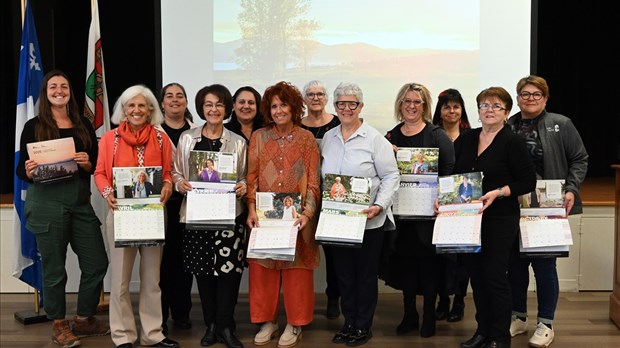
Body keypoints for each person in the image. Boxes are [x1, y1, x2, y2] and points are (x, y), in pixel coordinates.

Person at [16, 70, 109, 348]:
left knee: (97, 263)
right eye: (53, 86)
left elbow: (95, 166)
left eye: (64, 86)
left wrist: (86, 164)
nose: (59, 90)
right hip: (46, 203)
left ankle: (83, 319)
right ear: (46, 92)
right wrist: (30, 172)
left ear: (71, 91)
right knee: (55, 269)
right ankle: (58, 324)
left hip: (80, 203)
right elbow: (21, 169)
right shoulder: (33, 126)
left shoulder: (84, 125)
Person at [507, 75, 588, 347]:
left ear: (545, 98)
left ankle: (545, 323)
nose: (530, 99)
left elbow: (579, 158)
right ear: (517, 98)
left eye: (536, 94)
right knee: (515, 265)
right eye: (524, 94)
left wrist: (571, 189)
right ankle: (518, 316)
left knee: (544, 265)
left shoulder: (561, 124)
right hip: (513, 205)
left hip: (547, 206)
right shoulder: (508, 125)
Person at [94, 85, 179, 348]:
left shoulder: (162, 138)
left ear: (151, 109)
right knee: (119, 279)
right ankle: (123, 336)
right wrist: (107, 192)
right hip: (120, 215)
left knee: (152, 278)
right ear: (123, 109)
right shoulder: (109, 139)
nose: (136, 110)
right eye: (131, 105)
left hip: (153, 215)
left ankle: (152, 333)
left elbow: (168, 173)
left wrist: (167, 186)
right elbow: (99, 173)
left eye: (142, 105)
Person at [454, 87, 536, 348]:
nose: (489, 110)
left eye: (496, 106)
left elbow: (528, 181)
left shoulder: (512, 141)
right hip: (468, 219)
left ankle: (500, 337)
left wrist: (499, 192)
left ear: (507, 112)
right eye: (484, 105)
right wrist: (442, 198)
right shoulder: (466, 139)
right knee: (476, 277)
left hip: (500, 218)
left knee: (494, 276)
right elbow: (454, 176)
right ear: (478, 111)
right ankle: (483, 331)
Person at [322, 82, 400, 346]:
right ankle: (349, 322)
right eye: (341, 104)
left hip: (369, 221)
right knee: (343, 274)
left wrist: (379, 205)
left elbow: (391, 175)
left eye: (351, 104)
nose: (346, 108)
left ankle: (363, 326)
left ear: (360, 107)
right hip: (338, 221)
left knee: (364, 275)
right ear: (335, 107)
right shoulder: (329, 138)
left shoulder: (376, 139)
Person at [172, 84, 248, 348]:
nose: (213, 109)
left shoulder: (238, 141)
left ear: (226, 109)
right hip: (197, 215)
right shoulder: (187, 138)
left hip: (229, 217)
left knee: (228, 274)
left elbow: (245, 177)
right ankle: (211, 326)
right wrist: (180, 183)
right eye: (208, 104)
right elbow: (176, 172)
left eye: (218, 104)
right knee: (203, 273)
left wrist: (243, 186)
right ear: (201, 108)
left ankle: (226, 326)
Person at [246, 81, 321, 348]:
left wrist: (308, 214)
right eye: (274, 106)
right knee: (263, 269)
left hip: (297, 218)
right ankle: (268, 321)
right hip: (265, 217)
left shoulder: (307, 139)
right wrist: (251, 209)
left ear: (294, 107)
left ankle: (295, 323)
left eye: (283, 104)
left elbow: (313, 181)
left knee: (296, 271)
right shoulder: (258, 137)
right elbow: (251, 178)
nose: (278, 110)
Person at [382, 82, 454, 338]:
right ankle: (409, 314)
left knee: (429, 267)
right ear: (400, 105)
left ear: (425, 106)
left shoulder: (437, 136)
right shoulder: (390, 137)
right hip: (401, 217)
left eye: (417, 102)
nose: (411, 106)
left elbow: (449, 171)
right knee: (406, 266)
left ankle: (429, 316)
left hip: (429, 216)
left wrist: (442, 200)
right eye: (407, 101)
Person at [157, 82, 197, 335]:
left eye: (179, 96)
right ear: (161, 103)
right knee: (160, 263)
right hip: (160, 206)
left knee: (184, 262)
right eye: (169, 96)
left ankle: (182, 313)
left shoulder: (197, 131)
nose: (174, 100)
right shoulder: (151, 131)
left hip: (190, 206)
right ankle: (158, 315)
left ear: (185, 101)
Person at [301, 80, 342, 320]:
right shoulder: (296, 125)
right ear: (304, 99)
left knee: (334, 254)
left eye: (320, 94)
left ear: (327, 98)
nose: (315, 98)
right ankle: (301, 302)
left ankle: (333, 296)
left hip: (331, 197)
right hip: (303, 196)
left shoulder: (338, 123)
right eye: (310, 94)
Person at [433, 88, 472, 323]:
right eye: (447, 106)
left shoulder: (471, 135)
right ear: (440, 110)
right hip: (437, 202)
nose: (451, 111)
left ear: (462, 110)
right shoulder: (433, 134)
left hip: (465, 202)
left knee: (462, 255)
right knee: (441, 255)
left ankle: (459, 300)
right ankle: (443, 300)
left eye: (456, 106)